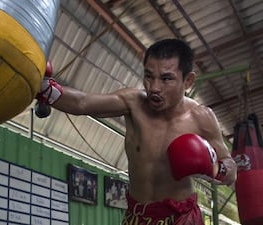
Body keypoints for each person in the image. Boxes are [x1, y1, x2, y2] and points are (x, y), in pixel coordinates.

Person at [37, 38, 237, 225]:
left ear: (188, 81)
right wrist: (46, 89)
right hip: (138, 216)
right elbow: (83, 102)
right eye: (149, 76)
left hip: (180, 218)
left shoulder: (202, 118)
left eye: (166, 79)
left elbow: (231, 170)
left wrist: (215, 169)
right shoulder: (133, 103)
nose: (154, 87)